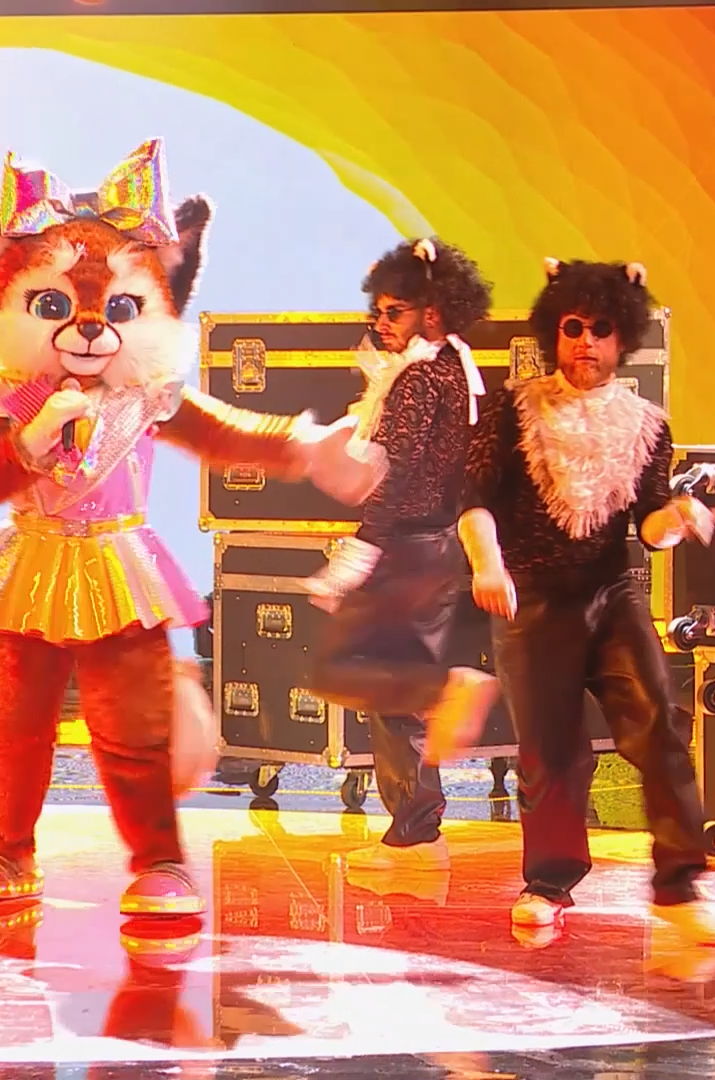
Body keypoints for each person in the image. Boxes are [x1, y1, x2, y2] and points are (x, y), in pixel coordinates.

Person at [0, 140, 385, 916]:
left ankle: (160, 862)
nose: (87, 328)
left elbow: (224, 434)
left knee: (133, 727)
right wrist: (27, 443)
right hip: (24, 567)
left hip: (119, 571)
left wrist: (307, 448)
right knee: (10, 722)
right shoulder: (5, 392)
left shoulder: (146, 392)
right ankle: (4, 853)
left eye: (115, 308)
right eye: (54, 307)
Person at [457, 257, 715, 944]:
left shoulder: (647, 425)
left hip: (611, 596)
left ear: (622, 338)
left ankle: (678, 885)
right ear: (555, 331)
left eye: (601, 329)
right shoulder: (512, 409)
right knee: (550, 751)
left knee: (659, 727)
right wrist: (488, 563)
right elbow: (474, 502)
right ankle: (549, 881)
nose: (586, 341)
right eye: (573, 327)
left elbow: (649, 523)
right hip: (534, 600)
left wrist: (678, 519)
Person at [303, 237, 501, 873]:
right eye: (378, 311)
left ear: (433, 313)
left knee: (342, 670)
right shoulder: (455, 367)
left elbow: (400, 469)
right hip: (437, 547)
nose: (380, 323)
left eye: (395, 312)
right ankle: (414, 830)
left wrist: (364, 546)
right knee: (388, 693)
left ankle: (444, 701)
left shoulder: (418, 377)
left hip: (406, 547)